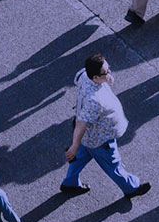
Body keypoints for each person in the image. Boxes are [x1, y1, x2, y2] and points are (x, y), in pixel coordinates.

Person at [61, 54, 150, 200]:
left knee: (79, 158)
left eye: (109, 68)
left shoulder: (85, 75)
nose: (109, 72)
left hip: (88, 137)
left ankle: (70, 183)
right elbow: (82, 123)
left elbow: (78, 78)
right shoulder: (94, 101)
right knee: (113, 165)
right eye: (106, 72)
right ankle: (131, 188)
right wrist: (74, 146)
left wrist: (106, 77)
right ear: (96, 77)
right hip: (100, 139)